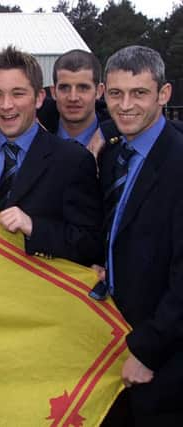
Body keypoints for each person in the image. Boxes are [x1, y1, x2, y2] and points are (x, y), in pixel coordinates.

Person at [0, 46, 103, 265]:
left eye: (18, 93)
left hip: (36, 295)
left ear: (39, 98)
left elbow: (91, 245)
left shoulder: (72, 160)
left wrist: (34, 227)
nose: (6, 105)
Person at [94, 46, 183, 427]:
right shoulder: (114, 155)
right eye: (116, 93)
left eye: (139, 93)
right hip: (114, 342)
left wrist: (148, 351)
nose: (125, 105)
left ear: (164, 94)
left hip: (165, 364)